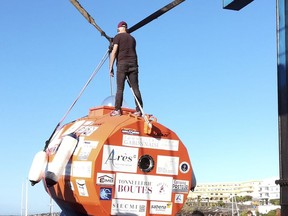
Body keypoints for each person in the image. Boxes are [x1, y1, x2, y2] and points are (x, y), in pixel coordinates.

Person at [109, 21, 143, 117]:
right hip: (133, 64)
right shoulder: (132, 39)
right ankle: (139, 110)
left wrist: (110, 67)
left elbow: (114, 51)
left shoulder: (118, 37)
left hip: (122, 64)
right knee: (136, 88)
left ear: (119, 28)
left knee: (120, 89)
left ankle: (117, 110)